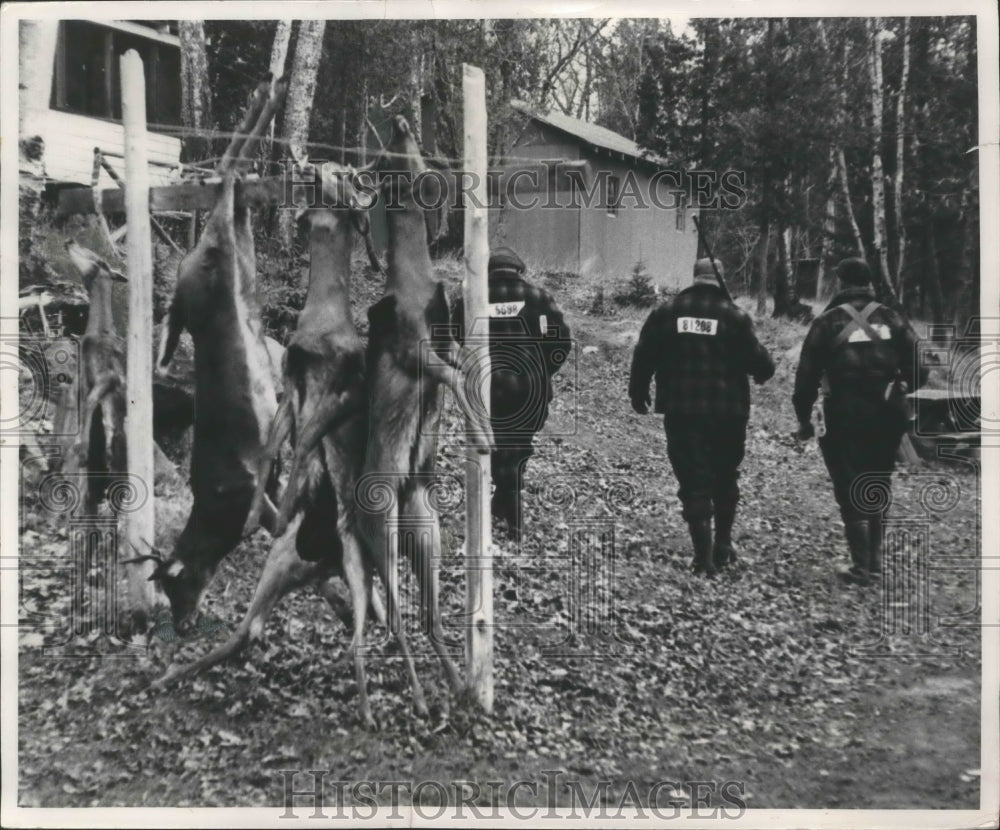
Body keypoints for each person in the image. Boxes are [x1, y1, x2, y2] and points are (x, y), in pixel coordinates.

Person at [629, 258, 774, 575]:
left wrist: (637, 392)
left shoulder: (666, 313)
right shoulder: (734, 316)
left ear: (695, 279)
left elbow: (644, 355)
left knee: (694, 481)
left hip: (683, 412)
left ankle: (703, 560)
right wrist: (761, 369)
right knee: (725, 476)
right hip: (729, 414)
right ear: (720, 280)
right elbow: (762, 365)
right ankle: (722, 545)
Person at [793, 257, 927, 585]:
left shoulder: (827, 322)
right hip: (886, 413)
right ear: (870, 283)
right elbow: (921, 369)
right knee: (878, 484)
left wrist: (804, 421)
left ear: (840, 283)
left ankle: (863, 567)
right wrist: (904, 385)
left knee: (849, 484)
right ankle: (875, 564)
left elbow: (805, 379)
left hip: (844, 414)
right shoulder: (893, 318)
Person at [452, 246, 572, 540]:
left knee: (497, 444)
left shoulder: (470, 299)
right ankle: (513, 513)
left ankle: (503, 503)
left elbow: (453, 338)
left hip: (487, 385)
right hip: (529, 387)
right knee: (517, 445)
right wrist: (542, 371)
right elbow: (562, 343)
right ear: (519, 269)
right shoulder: (539, 298)